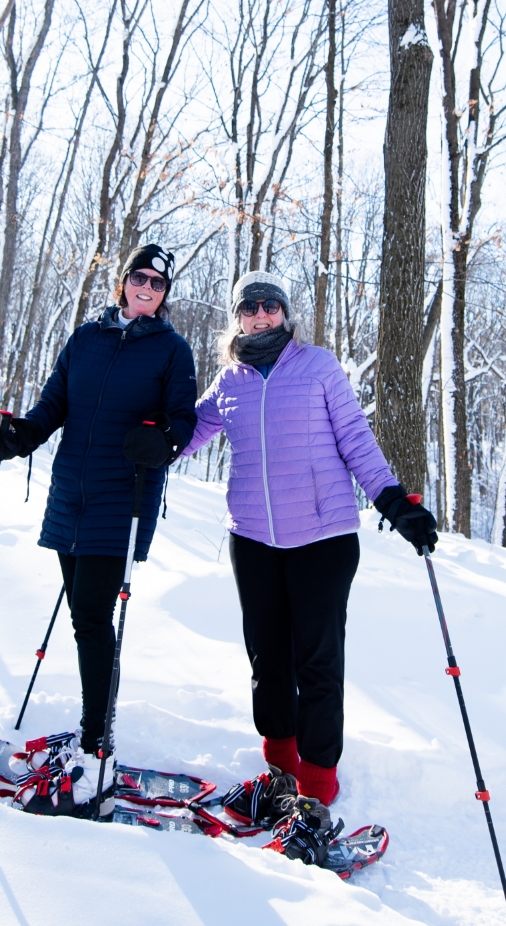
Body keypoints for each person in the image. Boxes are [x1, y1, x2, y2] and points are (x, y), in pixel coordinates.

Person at [180, 270, 437, 811]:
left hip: (324, 537)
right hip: (252, 540)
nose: (262, 313)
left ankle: (317, 783)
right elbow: (188, 433)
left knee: (316, 663)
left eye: (271, 304)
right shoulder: (231, 380)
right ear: (238, 317)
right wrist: (144, 443)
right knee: (267, 660)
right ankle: (279, 768)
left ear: (285, 312)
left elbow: (356, 442)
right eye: (250, 306)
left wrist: (393, 501)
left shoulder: (318, 367)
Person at [0, 243, 198, 813]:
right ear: (124, 281)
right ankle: (92, 733)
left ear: (164, 294)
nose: (148, 288)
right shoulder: (85, 338)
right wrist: (20, 437)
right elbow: (54, 405)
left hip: (122, 500)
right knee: (83, 617)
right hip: (70, 495)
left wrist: (165, 442)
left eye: (158, 283)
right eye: (140, 277)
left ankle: (97, 744)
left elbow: (183, 419)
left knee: (93, 620)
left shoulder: (173, 350)